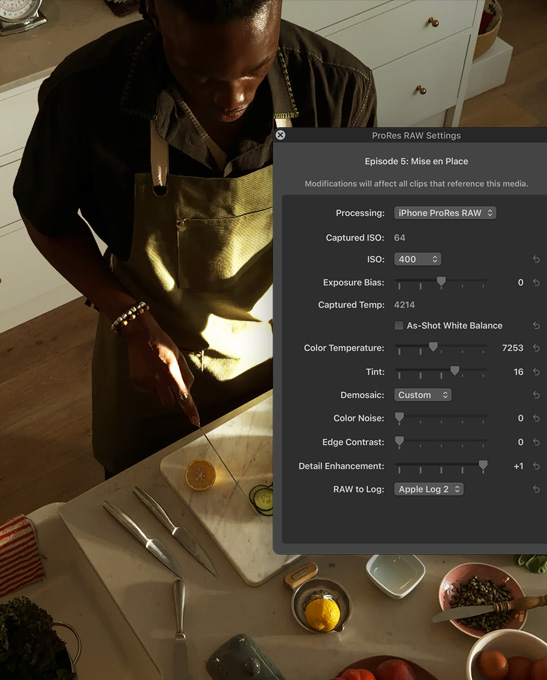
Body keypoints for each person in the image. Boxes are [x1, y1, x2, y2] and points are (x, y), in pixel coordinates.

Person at [13, 0, 377, 477]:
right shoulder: (86, 93)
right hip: (152, 351)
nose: (233, 100)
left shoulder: (337, 87)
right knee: (141, 496)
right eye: (201, 75)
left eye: (256, 68)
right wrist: (129, 318)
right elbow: (47, 218)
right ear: (154, 13)